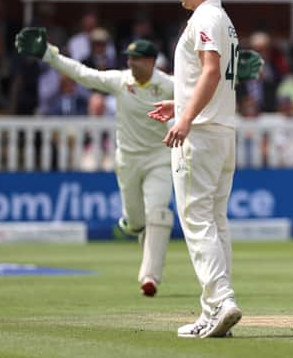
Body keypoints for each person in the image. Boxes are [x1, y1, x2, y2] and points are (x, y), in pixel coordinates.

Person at [147, 0, 262, 339]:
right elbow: (206, 74)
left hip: (202, 134)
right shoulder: (222, 19)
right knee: (215, 222)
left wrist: (185, 119)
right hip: (220, 131)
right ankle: (212, 310)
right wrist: (179, 105)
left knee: (197, 221)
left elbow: (211, 70)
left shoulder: (206, 19)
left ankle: (223, 299)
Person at [15, 30, 176, 298]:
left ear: (151, 61)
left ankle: (150, 278)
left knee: (158, 214)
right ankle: (133, 225)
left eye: (137, 59)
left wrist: (233, 79)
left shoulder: (169, 85)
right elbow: (82, 74)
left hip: (159, 159)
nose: (131, 63)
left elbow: (199, 90)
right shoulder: (120, 81)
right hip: (128, 160)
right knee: (138, 223)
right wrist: (48, 54)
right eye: (129, 59)